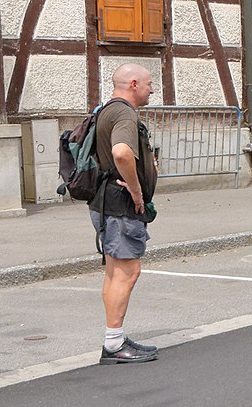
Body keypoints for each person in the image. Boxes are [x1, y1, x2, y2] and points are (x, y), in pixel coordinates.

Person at [91, 63, 159, 364]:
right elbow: (121, 152)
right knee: (128, 272)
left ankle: (114, 338)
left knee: (115, 272)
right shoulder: (124, 114)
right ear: (133, 83)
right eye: (148, 84)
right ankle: (114, 344)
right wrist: (136, 190)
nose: (152, 89)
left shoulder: (106, 110)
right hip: (119, 206)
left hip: (104, 202)